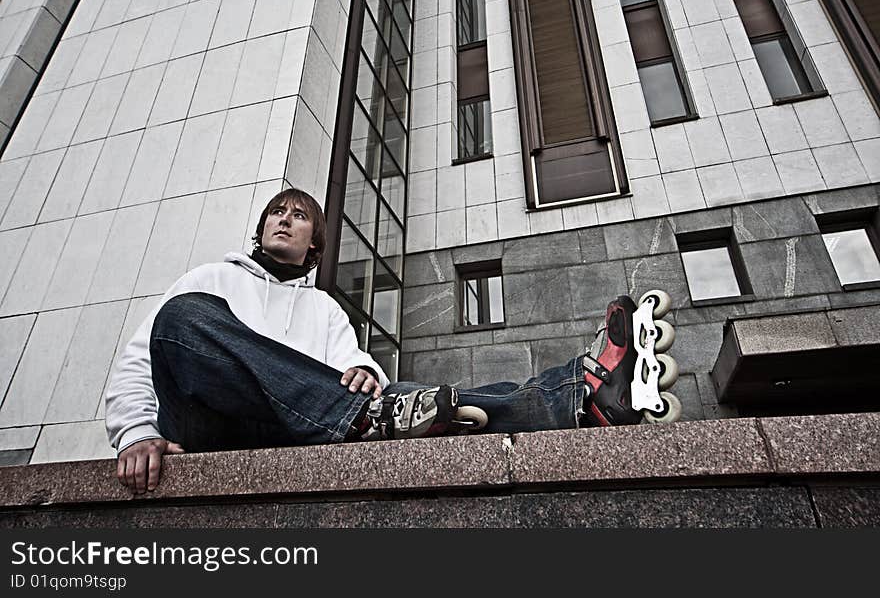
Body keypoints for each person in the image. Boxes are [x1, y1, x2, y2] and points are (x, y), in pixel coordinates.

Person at [106, 188, 679, 494]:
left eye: (297, 216)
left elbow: (350, 365)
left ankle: (580, 396)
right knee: (181, 319)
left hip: (294, 433)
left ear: (314, 246)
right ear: (259, 231)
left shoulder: (324, 307)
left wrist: (365, 377)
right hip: (209, 432)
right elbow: (144, 357)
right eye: (275, 213)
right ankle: (366, 419)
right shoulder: (210, 280)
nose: (282, 220)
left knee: (406, 394)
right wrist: (136, 433)